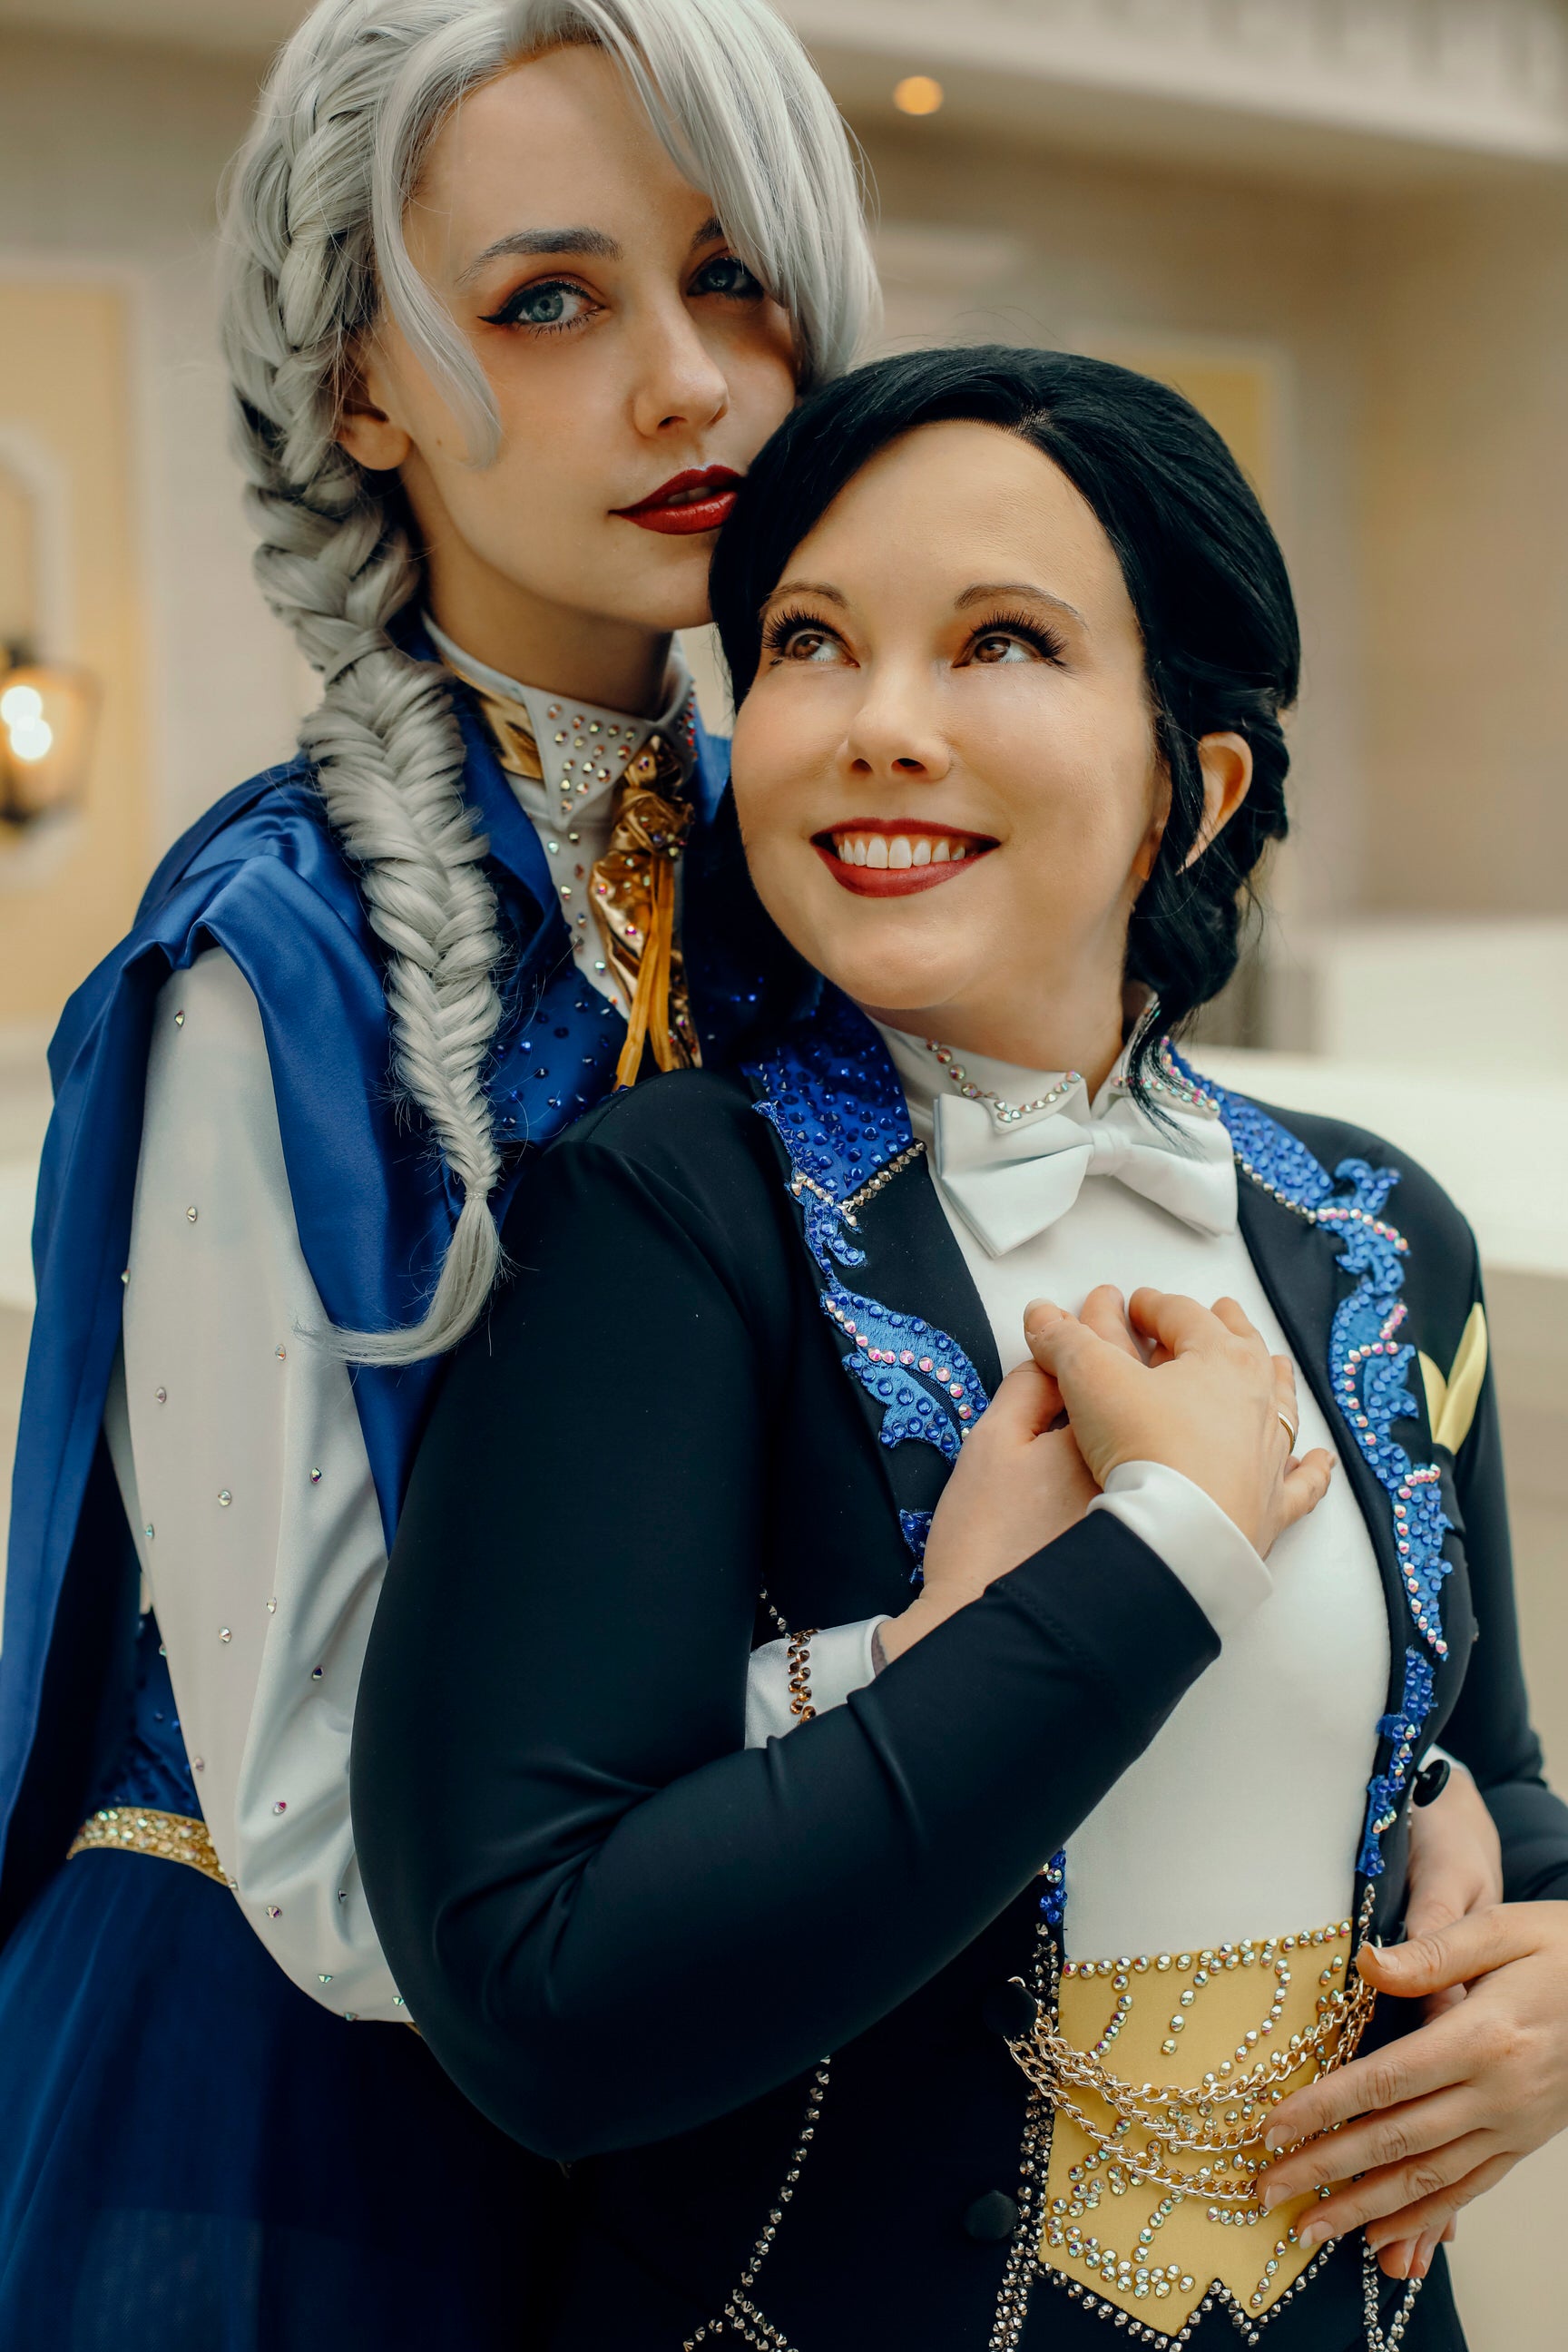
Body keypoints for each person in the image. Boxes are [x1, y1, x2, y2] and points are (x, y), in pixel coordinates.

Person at [353, 347, 1568, 2352]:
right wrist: (1164, 1548)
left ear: (1201, 780)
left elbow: (1488, 1787)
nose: (877, 727)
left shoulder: (1377, 1236)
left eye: (1001, 642)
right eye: (813, 644)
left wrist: (1547, 1985)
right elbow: (540, 1997)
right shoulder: (665, 1219)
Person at [0, 3, 875, 2344]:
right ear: (364, 391)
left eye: (738, 275)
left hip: (732, 2122)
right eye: (550, 302)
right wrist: (931, 1729)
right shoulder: (261, 967)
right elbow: (311, 1824)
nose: (688, 383)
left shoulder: (838, 886)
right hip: (296, 2133)